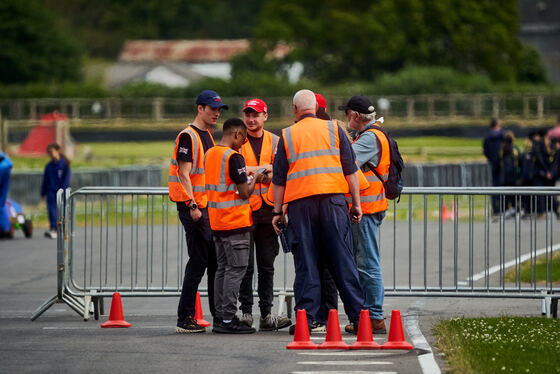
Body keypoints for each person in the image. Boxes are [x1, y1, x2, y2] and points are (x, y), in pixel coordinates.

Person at [271, 89, 365, 331]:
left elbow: (279, 180)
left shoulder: (287, 135)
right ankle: (359, 317)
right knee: (343, 260)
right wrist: (355, 204)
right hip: (333, 203)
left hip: (301, 207)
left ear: (294, 110)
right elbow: (351, 171)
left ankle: (307, 318)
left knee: (307, 262)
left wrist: (277, 212)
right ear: (316, 108)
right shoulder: (334, 129)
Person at [170, 89, 226, 333]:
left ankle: (218, 315)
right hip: (194, 208)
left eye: (218, 109)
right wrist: (192, 204)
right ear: (199, 108)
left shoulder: (208, 136)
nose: (216, 113)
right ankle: (185, 317)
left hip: (206, 208)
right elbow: (183, 173)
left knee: (212, 261)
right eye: (211, 108)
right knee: (199, 262)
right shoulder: (188, 136)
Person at [205, 118, 264, 334]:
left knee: (222, 269)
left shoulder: (211, 153)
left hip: (217, 222)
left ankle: (220, 317)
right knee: (236, 270)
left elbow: (225, 185)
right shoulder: (233, 157)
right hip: (235, 222)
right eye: (244, 139)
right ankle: (229, 318)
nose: (244, 144)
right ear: (237, 134)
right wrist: (255, 178)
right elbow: (245, 192)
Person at [237, 99, 292, 331]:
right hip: (245, 211)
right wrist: (263, 171)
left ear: (265, 116)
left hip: (269, 210)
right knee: (245, 266)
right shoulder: (238, 141)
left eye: (256, 114)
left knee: (267, 265)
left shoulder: (276, 141)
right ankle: (246, 313)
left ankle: (267, 314)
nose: (251, 119)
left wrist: (253, 172)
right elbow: (236, 171)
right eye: (248, 114)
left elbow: (281, 171)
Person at [338, 96, 388, 334]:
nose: (346, 119)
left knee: (367, 263)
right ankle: (369, 315)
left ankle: (375, 316)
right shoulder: (370, 134)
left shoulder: (369, 138)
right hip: (367, 208)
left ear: (355, 116)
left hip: (367, 209)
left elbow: (345, 161)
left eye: (347, 114)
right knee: (365, 261)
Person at [41, 143, 71, 239]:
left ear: (58, 151)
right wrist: (43, 191)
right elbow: (45, 179)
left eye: (51, 152)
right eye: (48, 152)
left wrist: (63, 191)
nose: (50, 154)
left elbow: (66, 179)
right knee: (52, 210)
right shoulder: (49, 166)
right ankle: (54, 228)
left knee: (63, 210)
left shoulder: (64, 165)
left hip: (62, 192)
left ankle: (64, 229)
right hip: (51, 192)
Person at [498, 131, 522, 217]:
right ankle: (515, 210)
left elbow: (497, 163)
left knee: (505, 195)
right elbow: (520, 161)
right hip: (513, 176)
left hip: (504, 177)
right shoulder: (515, 149)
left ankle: (506, 210)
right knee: (514, 195)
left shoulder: (501, 150)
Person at [483, 118, 504, 215]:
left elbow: (485, 151)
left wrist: (491, 159)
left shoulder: (487, 137)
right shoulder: (503, 135)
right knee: (504, 186)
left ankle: (495, 208)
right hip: (503, 164)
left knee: (495, 186)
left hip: (493, 163)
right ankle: (504, 207)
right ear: (497, 125)